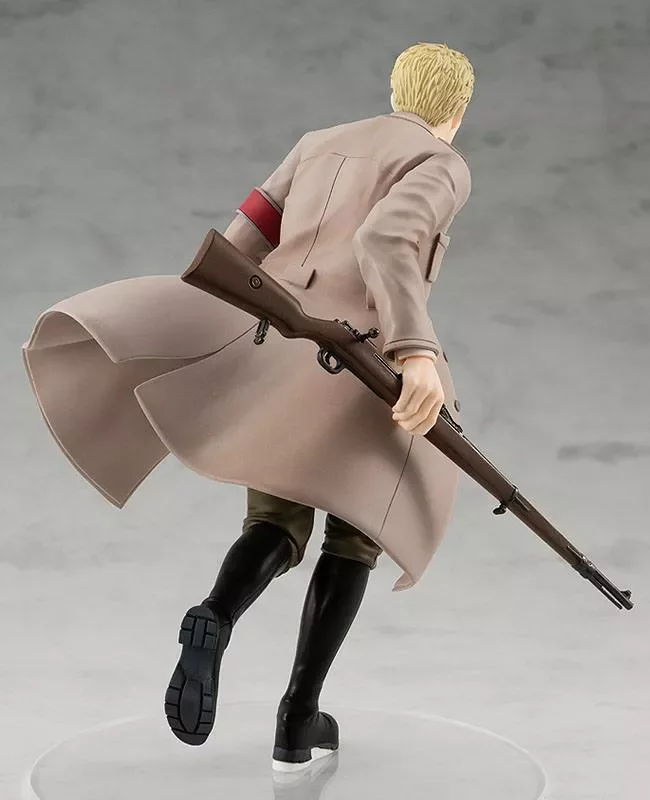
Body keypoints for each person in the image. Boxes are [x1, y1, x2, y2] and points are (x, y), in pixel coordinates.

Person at [22, 42, 474, 772]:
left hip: (283, 345)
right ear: (457, 109)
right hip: (365, 358)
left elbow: (239, 243)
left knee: (275, 519)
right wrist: (415, 351)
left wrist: (228, 333)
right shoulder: (441, 161)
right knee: (356, 533)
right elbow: (387, 239)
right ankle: (298, 718)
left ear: (396, 90)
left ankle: (216, 614)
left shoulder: (318, 143)